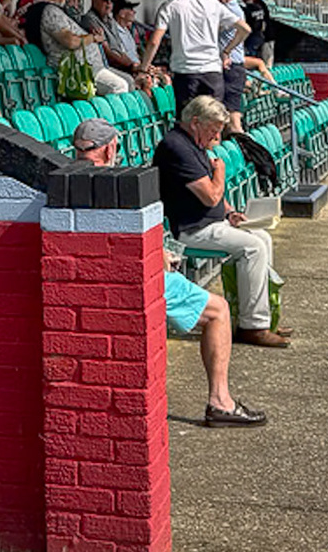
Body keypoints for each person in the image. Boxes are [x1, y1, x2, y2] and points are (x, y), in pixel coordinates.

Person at [72, 118, 265, 427]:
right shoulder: (121, 184)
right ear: (111, 148)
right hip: (131, 282)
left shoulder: (64, 182)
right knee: (218, 311)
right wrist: (160, 257)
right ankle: (220, 402)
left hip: (88, 287)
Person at [154, 96, 291, 347]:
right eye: (213, 130)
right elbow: (210, 196)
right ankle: (253, 326)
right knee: (253, 247)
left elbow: (217, 199)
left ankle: (260, 316)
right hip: (191, 229)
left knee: (263, 238)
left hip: (211, 223)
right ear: (195, 122)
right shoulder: (176, 148)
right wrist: (220, 172)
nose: (216, 137)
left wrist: (230, 213)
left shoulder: (195, 145)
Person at [139, 0, 246, 109]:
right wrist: (227, 51)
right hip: (213, 74)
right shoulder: (214, 4)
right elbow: (244, 29)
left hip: (186, 74)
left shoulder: (170, 6)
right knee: (213, 122)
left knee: (188, 124)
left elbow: (154, 41)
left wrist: (143, 69)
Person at [27, 0, 132, 95]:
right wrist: (93, 38)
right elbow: (71, 42)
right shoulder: (50, 11)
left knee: (129, 81)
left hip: (88, 66)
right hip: (75, 69)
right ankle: (108, 114)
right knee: (118, 86)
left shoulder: (54, 9)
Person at [204, 0, 255, 132]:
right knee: (225, 119)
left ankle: (243, 151)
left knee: (233, 120)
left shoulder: (229, 10)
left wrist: (226, 51)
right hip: (233, 66)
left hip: (231, 67)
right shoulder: (235, 8)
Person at [241, 0, 274, 65]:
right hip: (262, 36)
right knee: (265, 62)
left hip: (257, 37)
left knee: (255, 59)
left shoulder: (249, 9)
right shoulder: (260, 6)